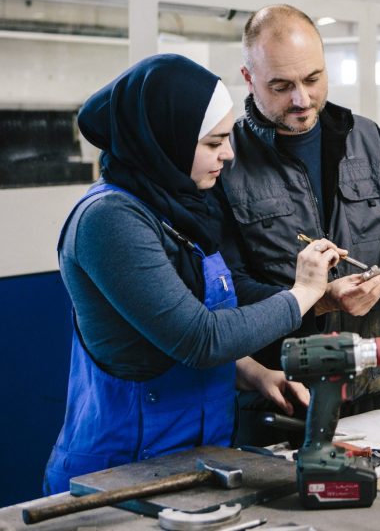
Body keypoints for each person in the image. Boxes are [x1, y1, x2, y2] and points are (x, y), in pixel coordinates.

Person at [44, 54, 343, 494]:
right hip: (120, 472)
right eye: (213, 142)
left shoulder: (179, 206)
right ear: (166, 139)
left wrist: (258, 375)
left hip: (197, 461)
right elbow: (198, 338)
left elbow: (192, 313)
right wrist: (302, 294)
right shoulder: (109, 220)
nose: (229, 153)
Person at [218, 4, 380, 419]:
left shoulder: (367, 137)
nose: (301, 99)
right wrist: (318, 300)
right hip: (281, 390)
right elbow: (224, 290)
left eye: (313, 79)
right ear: (248, 78)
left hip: (374, 381)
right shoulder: (226, 158)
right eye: (281, 86)